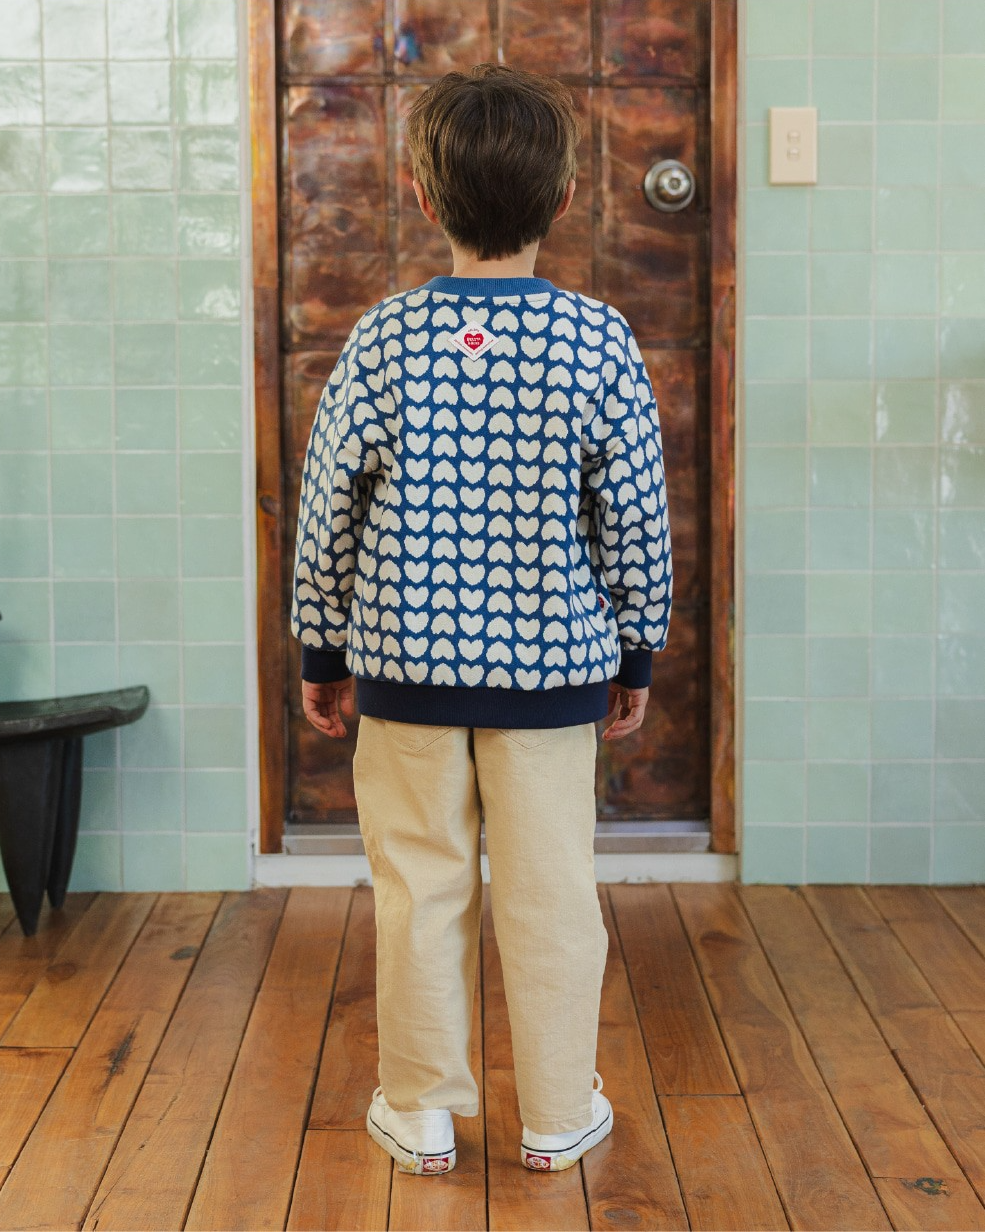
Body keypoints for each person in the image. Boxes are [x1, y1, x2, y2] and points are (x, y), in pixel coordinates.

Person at [290, 63, 672, 1176]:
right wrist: (633, 647)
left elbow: (329, 506)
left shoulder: (381, 338)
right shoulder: (598, 341)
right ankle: (556, 1109)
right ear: (563, 203)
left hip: (403, 665)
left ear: (420, 197)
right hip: (553, 672)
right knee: (553, 887)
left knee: (418, 883)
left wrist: (325, 648)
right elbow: (635, 511)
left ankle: (419, 1109)